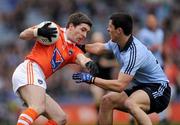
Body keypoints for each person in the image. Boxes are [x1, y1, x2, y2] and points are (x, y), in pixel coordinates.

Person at [72, 12, 171, 125]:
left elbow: (119, 86)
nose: (107, 29)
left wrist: (91, 79)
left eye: (110, 26)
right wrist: (80, 47)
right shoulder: (117, 43)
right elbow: (100, 48)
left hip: (159, 89)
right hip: (142, 87)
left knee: (130, 103)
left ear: (119, 31)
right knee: (106, 101)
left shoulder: (134, 53)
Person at [12, 12, 99, 125]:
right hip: (30, 69)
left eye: (87, 32)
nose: (85, 35)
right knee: (37, 106)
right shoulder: (53, 29)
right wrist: (37, 31)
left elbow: (82, 59)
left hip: (37, 77)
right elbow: (23, 35)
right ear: (71, 26)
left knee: (60, 118)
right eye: (83, 30)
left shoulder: (74, 50)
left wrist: (90, 63)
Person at [137, 13, 170, 125]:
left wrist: (165, 58)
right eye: (150, 20)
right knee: (144, 91)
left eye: (153, 20)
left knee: (162, 91)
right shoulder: (142, 33)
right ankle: (136, 115)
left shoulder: (160, 32)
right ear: (147, 22)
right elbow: (140, 49)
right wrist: (151, 48)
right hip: (147, 68)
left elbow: (162, 49)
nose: (152, 22)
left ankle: (162, 118)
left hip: (160, 66)